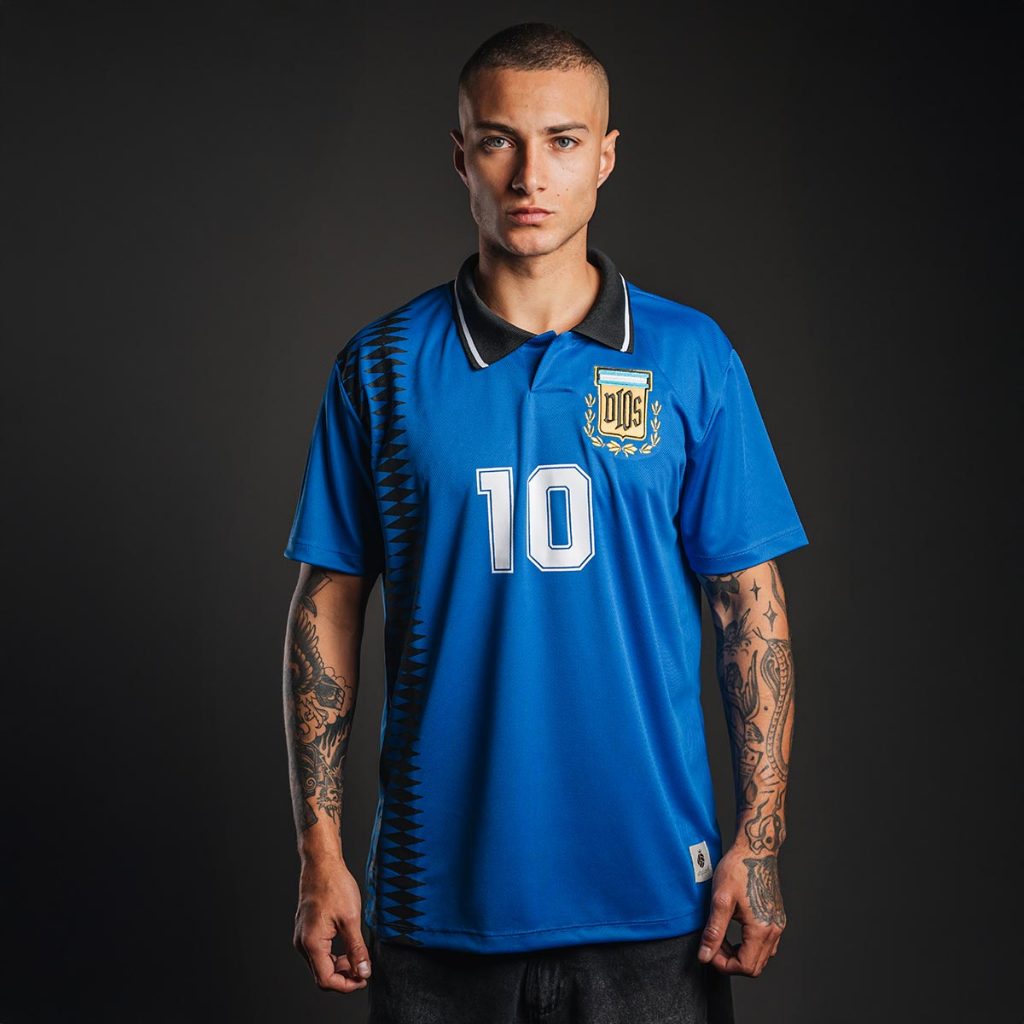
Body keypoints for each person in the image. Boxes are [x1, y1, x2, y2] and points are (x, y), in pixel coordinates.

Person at [281, 21, 808, 1024]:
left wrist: (763, 839)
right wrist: (320, 851)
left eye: (563, 141)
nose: (530, 175)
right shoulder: (381, 367)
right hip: (439, 907)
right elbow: (328, 607)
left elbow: (750, 608)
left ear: (605, 156)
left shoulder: (689, 356)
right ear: (460, 156)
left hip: (661, 903)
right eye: (499, 140)